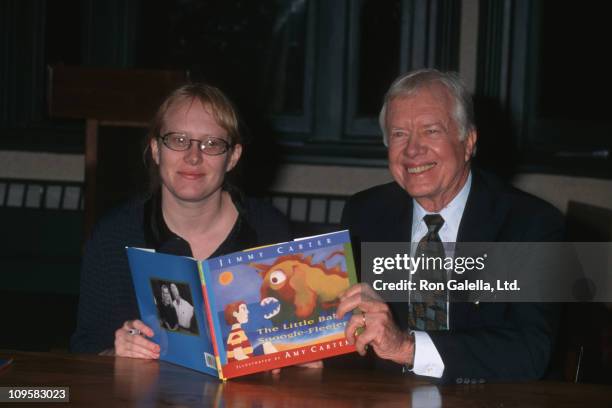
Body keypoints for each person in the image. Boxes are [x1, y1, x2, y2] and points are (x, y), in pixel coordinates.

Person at [336, 69, 564, 383]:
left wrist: (408, 348)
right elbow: (347, 324)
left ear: (468, 141)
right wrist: (312, 350)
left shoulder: (530, 224)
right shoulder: (364, 212)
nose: (413, 150)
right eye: (400, 134)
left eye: (431, 131)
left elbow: (532, 351)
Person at [70, 83, 291, 358]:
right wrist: (113, 355)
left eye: (212, 144)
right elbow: (84, 350)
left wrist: (300, 360)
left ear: (232, 157)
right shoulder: (114, 236)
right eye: (178, 140)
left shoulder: (270, 232)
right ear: (155, 149)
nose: (193, 156)